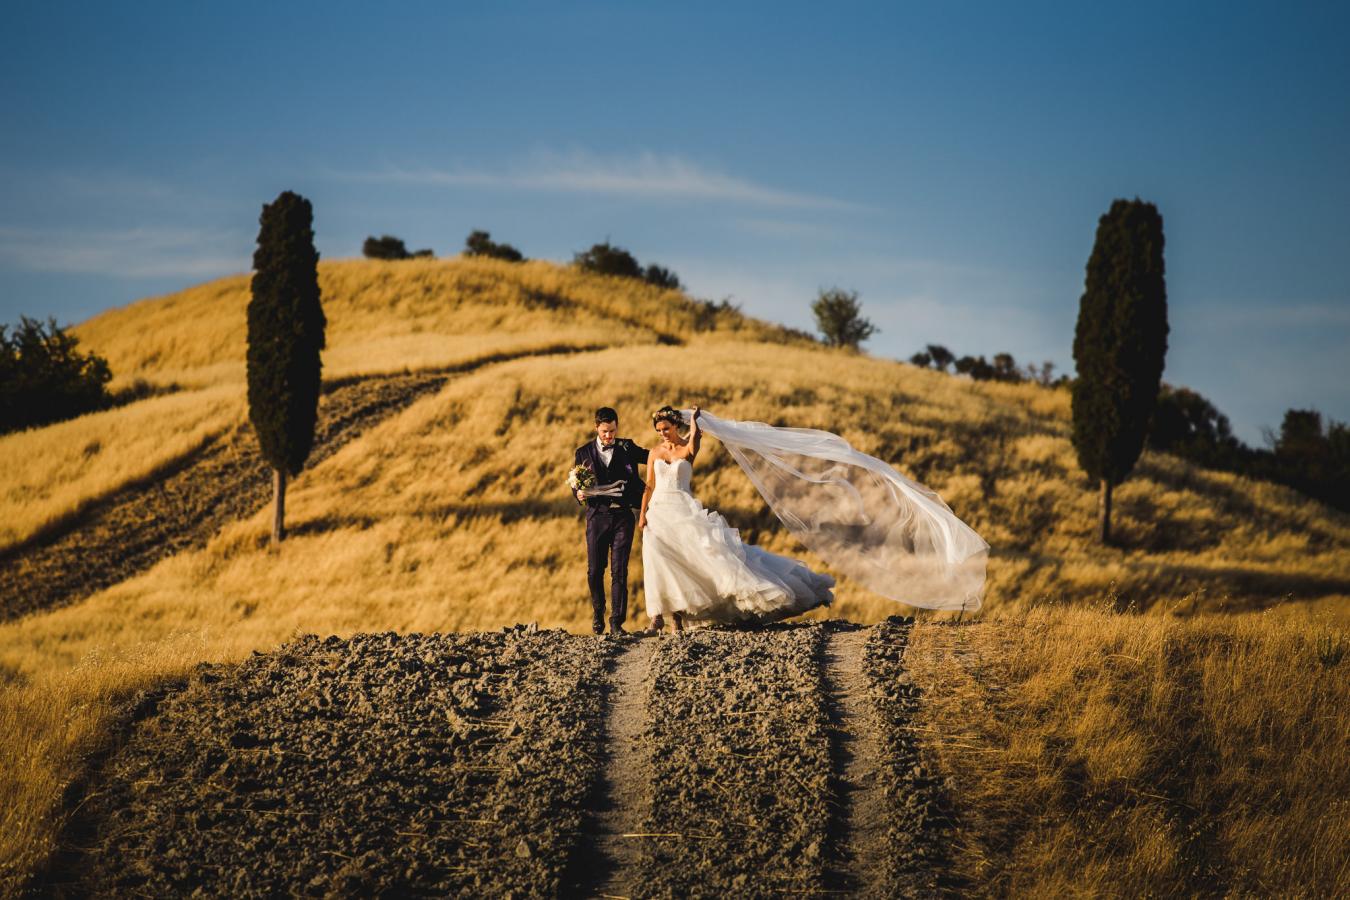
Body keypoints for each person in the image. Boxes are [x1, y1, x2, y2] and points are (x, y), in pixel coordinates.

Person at [638, 405, 834, 632]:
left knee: (690, 562)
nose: (663, 433)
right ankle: (658, 616)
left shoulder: (688, 446)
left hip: (683, 510)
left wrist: (694, 421)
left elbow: (692, 446)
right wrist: (643, 514)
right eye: (659, 430)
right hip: (659, 511)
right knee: (659, 561)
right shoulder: (654, 453)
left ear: (675, 426)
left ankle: (679, 618)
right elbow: (649, 485)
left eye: (666, 428)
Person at [572, 406, 650, 635]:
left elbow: (651, 456)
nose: (609, 436)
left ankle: (617, 622)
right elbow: (576, 481)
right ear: (596, 427)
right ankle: (598, 612)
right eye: (605, 431)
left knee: (620, 570)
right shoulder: (582, 452)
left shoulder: (627, 447)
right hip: (597, 517)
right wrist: (577, 493)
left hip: (623, 516)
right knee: (595, 570)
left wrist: (676, 444)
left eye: (613, 431)